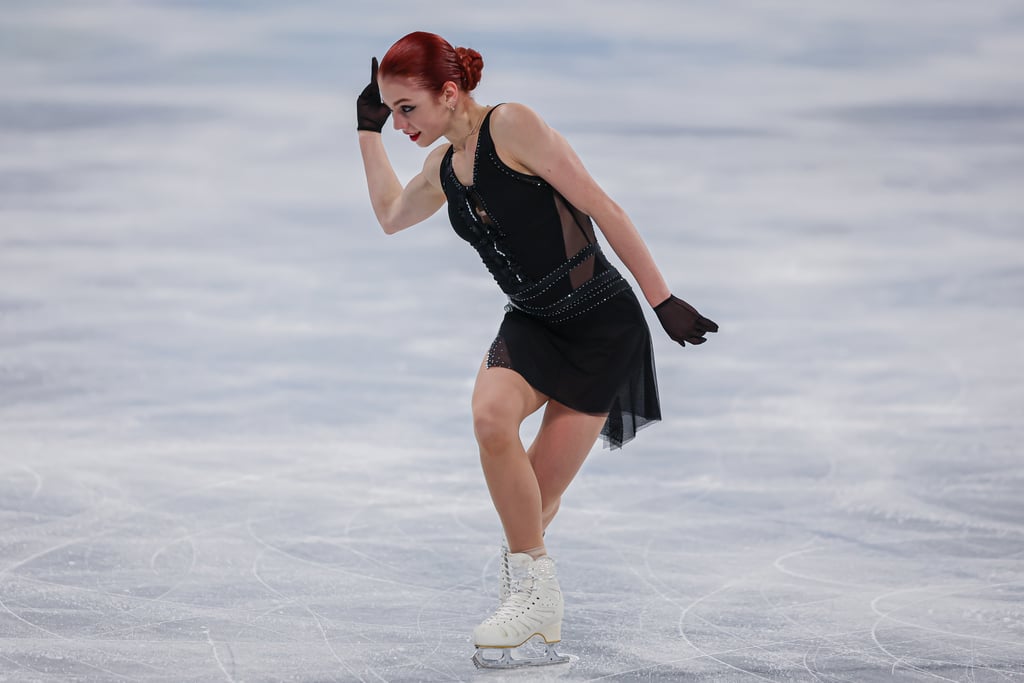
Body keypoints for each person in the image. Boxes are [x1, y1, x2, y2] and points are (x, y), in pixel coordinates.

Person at [356, 31, 717, 668]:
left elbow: (600, 205)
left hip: (601, 328)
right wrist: (365, 131)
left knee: (536, 506)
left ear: (449, 91)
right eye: (391, 113)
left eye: (406, 109)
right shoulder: (442, 168)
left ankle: (529, 598)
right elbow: (389, 215)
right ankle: (535, 598)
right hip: (532, 322)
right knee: (490, 419)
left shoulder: (513, 126)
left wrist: (661, 299)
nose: (400, 125)